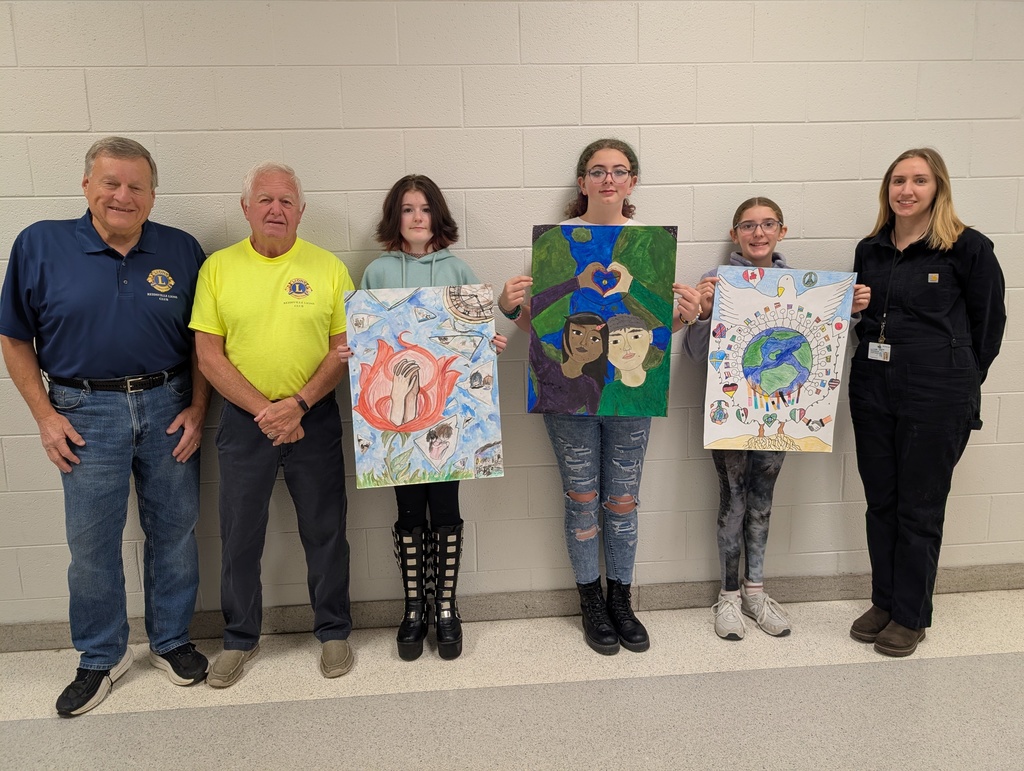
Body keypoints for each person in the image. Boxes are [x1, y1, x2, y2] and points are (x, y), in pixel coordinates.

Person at [0, 137, 210, 716]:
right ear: (86, 187)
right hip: (82, 411)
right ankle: (99, 656)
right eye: (111, 183)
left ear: (152, 194)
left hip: (168, 404)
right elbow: (14, 337)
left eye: (136, 186)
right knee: (91, 543)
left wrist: (197, 407)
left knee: (175, 531)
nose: (123, 195)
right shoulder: (40, 245)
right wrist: (44, 416)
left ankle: (170, 640)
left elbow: (204, 342)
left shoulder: (182, 249)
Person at [499, 138, 692, 655]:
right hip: (568, 396)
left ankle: (622, 600)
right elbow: (534, 329)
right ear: (582, 181)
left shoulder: (649, 245)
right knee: (582, 498)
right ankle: (591, 600)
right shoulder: (554, 243)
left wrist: (684, 314)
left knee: (622, 501)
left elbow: (651, 335)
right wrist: (509, 305)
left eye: (619, 171)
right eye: (598, 171)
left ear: (632, 182)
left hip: (630, 396)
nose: (609, 179)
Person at [190, 161, 355, 685]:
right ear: (245, 208)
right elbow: (208, 356)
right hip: (245, 424)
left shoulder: (328, 268)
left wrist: (299, 405)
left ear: (301, 211)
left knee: (325, 530)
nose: (276, 209)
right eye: (265, 200)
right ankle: (239, 638)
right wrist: (269, 412)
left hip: (315, 418)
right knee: (240, 534)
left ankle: (333, 631)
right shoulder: (217, 268)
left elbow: (342, 351)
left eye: (286, 201)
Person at [679, 197, 871, 641]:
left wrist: (849, 310)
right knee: (732, 502)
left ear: (782, 231)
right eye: (748, 225)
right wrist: (703, 313)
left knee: (762, 502)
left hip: (780, 416)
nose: (758, 233)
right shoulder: (716, 285)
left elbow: (828, 340)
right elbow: (693, 355)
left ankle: (755, 592)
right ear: (735, 235)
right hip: (731, 416)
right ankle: (727, 597)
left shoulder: (807, 287)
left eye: (768, 225)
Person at [848, 148, 1005, 657]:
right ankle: (885, 600)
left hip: (937, 393)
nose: (906, 190)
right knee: (881, 503)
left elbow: (989, 326)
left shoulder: (967, 248)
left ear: (938, 187)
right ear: (886, 189)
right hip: (873, 387)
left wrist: (958, 378)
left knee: (919, 507)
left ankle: (912, 615)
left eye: (919, 180)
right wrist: (853, 310)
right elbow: (860, 326)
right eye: (898, 181)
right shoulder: (870, 248)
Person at [360, 174, 506, 661]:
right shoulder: (378, 273)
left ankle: (445, 605)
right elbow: (367, 341)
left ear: (437, 216)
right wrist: (353, 354)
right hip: (396, 424)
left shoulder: (459, 268)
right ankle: (413, 607)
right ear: (394, 218)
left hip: (450, 420)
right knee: (406, 511)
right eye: (407, 209)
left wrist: (488, 344)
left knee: (444, 510)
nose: (416, 217)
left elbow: (472, 336)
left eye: (424, 208)